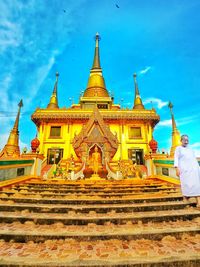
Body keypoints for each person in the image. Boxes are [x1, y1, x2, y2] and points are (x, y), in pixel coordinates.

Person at [174, 134, 200, 208]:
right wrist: (176, 168)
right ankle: (186, 197)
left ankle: (198, 201)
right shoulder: (178, 148)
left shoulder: (190, 149)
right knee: (186, 184)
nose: (186, 141)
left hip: (193, 170)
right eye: (184, 140)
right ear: (181, 140)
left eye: (187, 140)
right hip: (184, 170)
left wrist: (198, 168)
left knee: (196, 184)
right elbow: (176, 158)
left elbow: (194, 159)